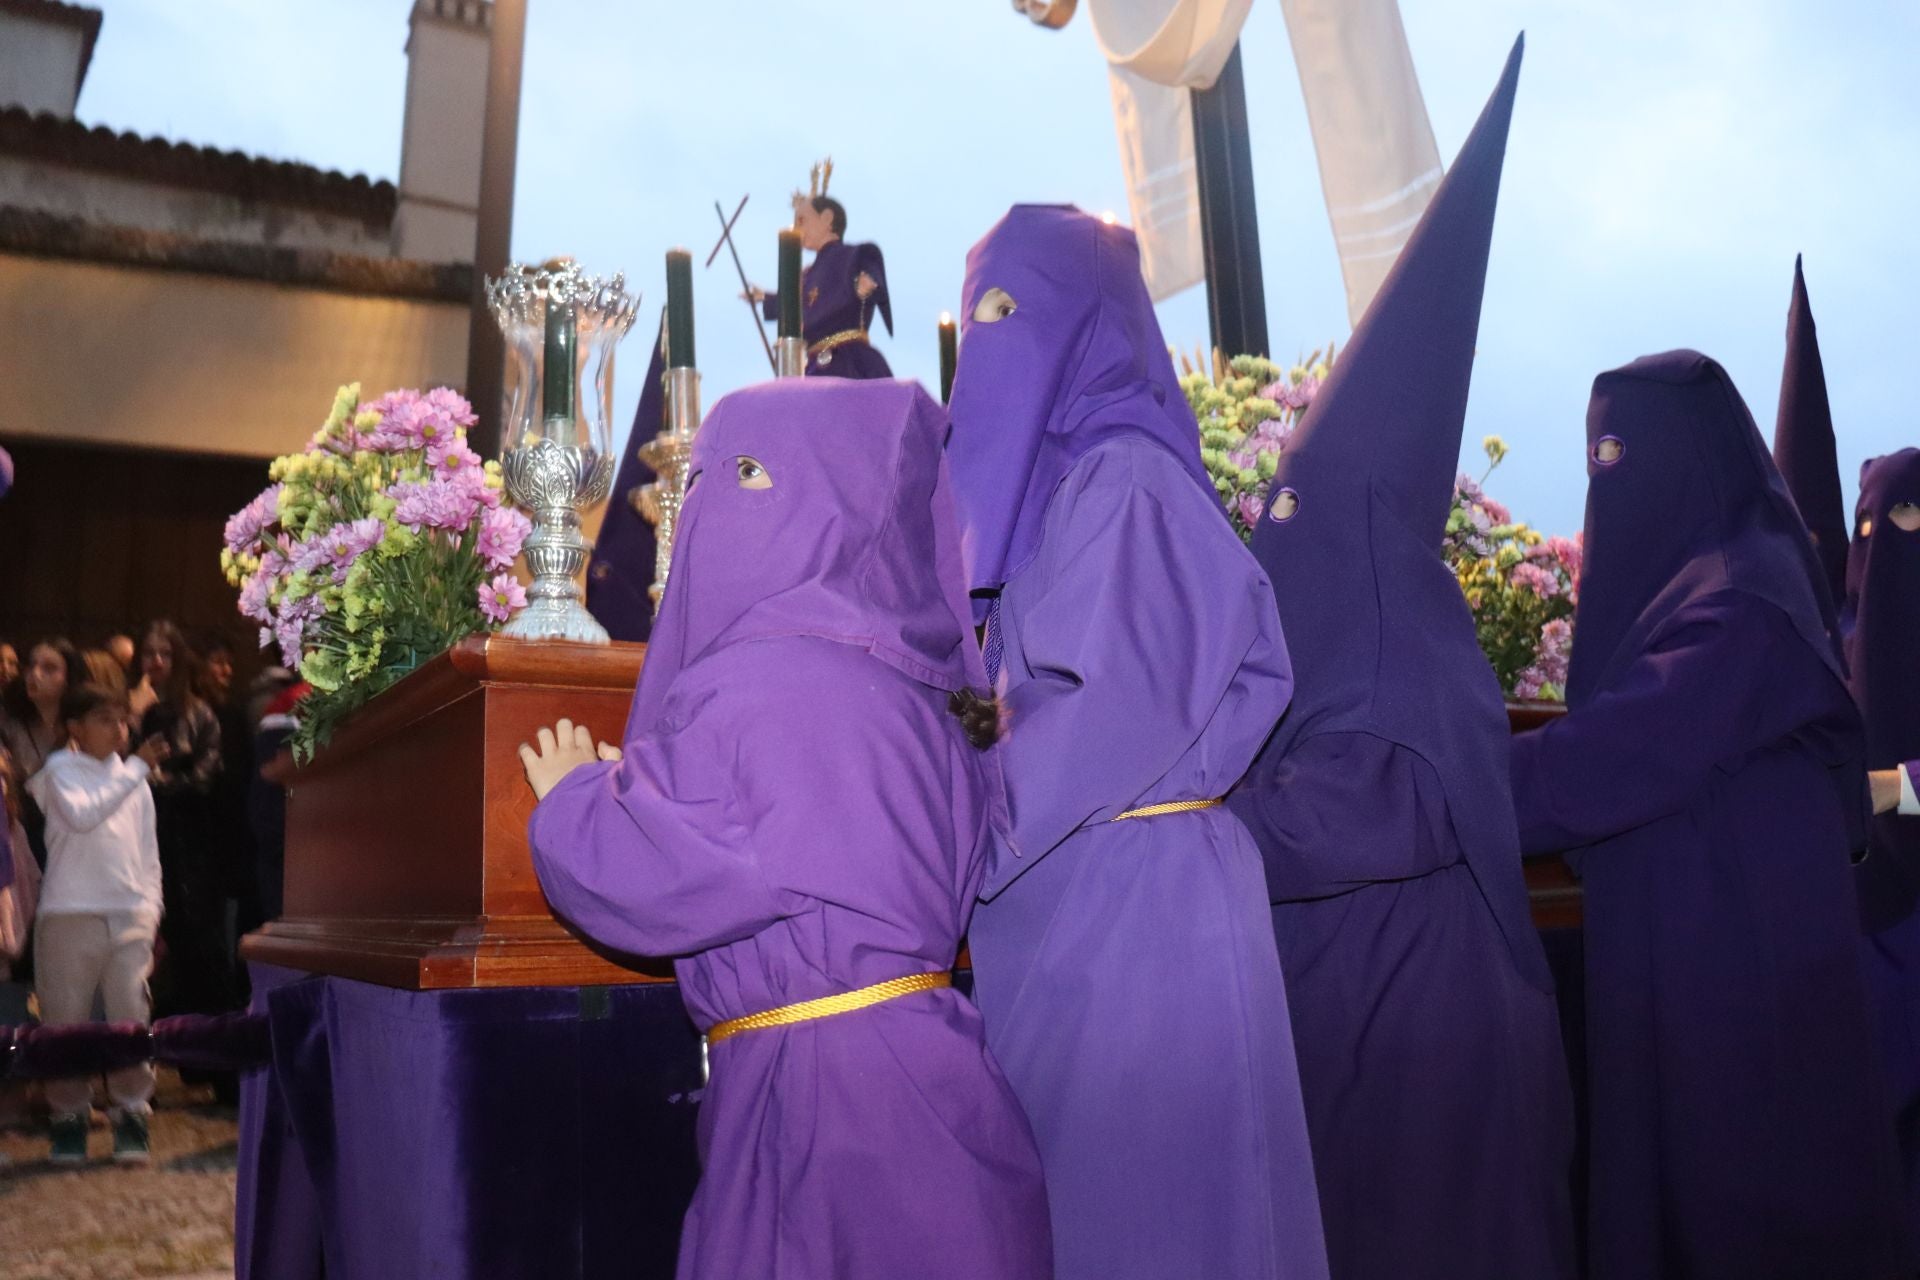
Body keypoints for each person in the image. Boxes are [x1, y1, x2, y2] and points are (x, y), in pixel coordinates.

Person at [521, 379, 1052, 1280]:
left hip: (828, 1120)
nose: (707, 504)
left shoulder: (773, 679)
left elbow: (653, 870)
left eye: (747, 474)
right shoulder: (920, 685)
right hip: (937, 1091)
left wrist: (573, 796)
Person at [1226, 38, 1574, 1280]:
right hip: (1375, 1044)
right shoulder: (1368, 624)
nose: (1275, 541)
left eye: (1295, 513)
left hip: (1425, 1069)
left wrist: (1177, 816)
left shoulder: (1401, 652)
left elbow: (1343, 816)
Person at [944, 204, 1327, 1280]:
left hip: (1135, 922)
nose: (987, 343)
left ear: (1093, 322)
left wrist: (932, 824)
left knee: (1145, 1225)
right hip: (1087, 905)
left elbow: (1091, 717)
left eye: (1012, 311)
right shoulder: (1069, 491)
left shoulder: (1125, 480)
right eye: (977, 316)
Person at [1510, 350, 1912, 1279]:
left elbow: (1611, 757)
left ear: (1689, 455)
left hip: (1737, 1002)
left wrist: (1427, 783)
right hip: (1702, 975)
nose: (1609, 480)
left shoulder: (1739, 600)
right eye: (1597, 459)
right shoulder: (1725, 585)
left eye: (1626, 454)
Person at [28, 684, 168, 1164]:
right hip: (69, 915)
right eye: (105, 719)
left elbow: (149, 855)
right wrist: (137, 769)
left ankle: (132, 1113)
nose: (119, 729)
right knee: (65, 1021)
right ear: (75, 726)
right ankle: (69, 1117)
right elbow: (83, 815)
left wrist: (150, 909)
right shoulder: (59, 771)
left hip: (128, 916)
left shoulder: (134, 779)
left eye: (122, 719)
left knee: (130, 1017)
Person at [1848, 448, 1920, 1235]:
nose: (1887, 535)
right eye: (1870, 521)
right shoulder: (1841, 632)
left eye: (1908, 514)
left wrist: (1890, 788)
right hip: (1858, 926)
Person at [135, 620, 226, 1023]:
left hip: (188, 840)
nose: (155, 661)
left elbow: (207, 776)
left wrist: (162, 782)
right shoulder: (133, 710)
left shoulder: (198, 712)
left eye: (165, 653)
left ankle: (202, 1031)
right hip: (142, 836)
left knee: (195, 936)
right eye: (148, 653)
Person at [748, 165, 893, 378]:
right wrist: (765, 297)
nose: (797, 228)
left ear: (826, 218)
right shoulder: (806, 274)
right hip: (813, 367)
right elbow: (796, 304)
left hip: (850, 360)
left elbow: (870, 271)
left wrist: (864, 284)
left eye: (802, 220)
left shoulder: (854, 254)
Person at [1, 637, 88, 866]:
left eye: (49, 668)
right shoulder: (8, 723)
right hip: (21, 834)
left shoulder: (84, 726)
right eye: (31, 665)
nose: (35, 674)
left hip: (71, 840)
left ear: (69, 679)